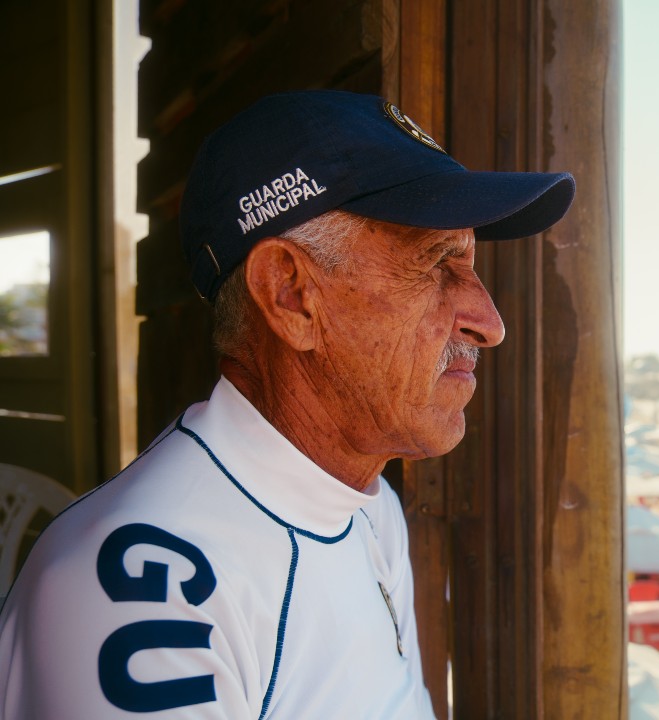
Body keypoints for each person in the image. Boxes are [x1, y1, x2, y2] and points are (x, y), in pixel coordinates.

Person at [0, 90, 575, 718]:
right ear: (292, 294)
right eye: (437, 263)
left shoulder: (369, 510)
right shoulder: (134, 595)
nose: (489, 322)